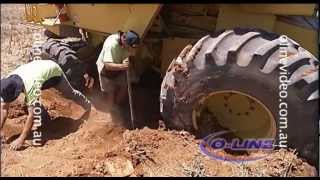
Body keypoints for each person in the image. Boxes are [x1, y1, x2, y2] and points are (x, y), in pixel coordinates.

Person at [0, 60, 91, 150]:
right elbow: (4, 108)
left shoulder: (31, 85)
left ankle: (89, 106)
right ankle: (46, 121)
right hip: (38, 73)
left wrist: (21, 139)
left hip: (53, 74)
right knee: (30, 101)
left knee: (70, 93)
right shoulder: (7, 81)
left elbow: (32, 114)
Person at [96, 30, 140, 107]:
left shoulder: (125, 42)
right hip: (106, 71)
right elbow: (107, 65)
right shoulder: (112, 45)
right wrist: (123, 66)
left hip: (118, 67)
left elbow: (129, 53)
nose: (129, 49)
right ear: (124, 41)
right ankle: (112, 111)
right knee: (111, 93)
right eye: (129, 47)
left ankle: (117, 106)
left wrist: (126, 60)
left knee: (124, 86)